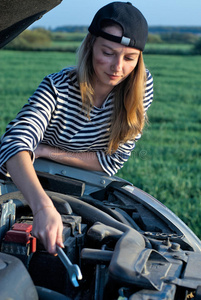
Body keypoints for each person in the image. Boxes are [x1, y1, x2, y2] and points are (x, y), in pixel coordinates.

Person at [0, 2, 153, 254]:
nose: (118, 67)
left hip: (87, 186)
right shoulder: (57, 87)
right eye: (108, 52)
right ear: (91, 44)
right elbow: (14, 145)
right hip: (24, 182)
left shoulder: (141, 86)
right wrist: (42, 208)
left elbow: (110, 163)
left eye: (129, 58)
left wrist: (47, 151)